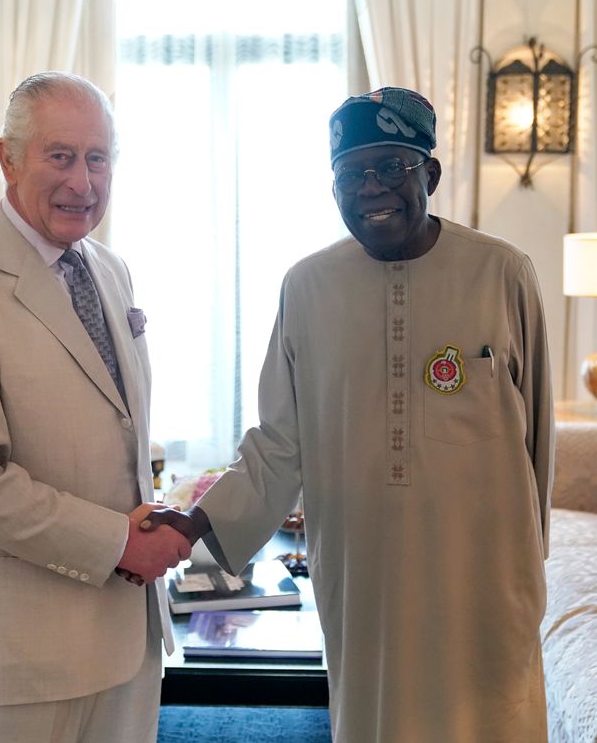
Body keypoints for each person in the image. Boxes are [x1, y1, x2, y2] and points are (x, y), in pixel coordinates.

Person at [144, 87, 555, 741]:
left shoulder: (502, 273)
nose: (371, 189)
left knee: (491, 719)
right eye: (350, 175)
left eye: (391, 167)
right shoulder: (306, 286)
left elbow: (539, 440)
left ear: (430, 175)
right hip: (363, 570)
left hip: (483, 568)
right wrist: (193, 523)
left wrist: (533, 560)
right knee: (375, 718)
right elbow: (279, 441)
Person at [0, 71, 191, 743]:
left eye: (98, 158)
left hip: (128, 631)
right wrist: (120, 543)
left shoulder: (111, 269)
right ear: (7, 158)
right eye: (60, 156)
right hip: (21, 649)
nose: (82, 183)